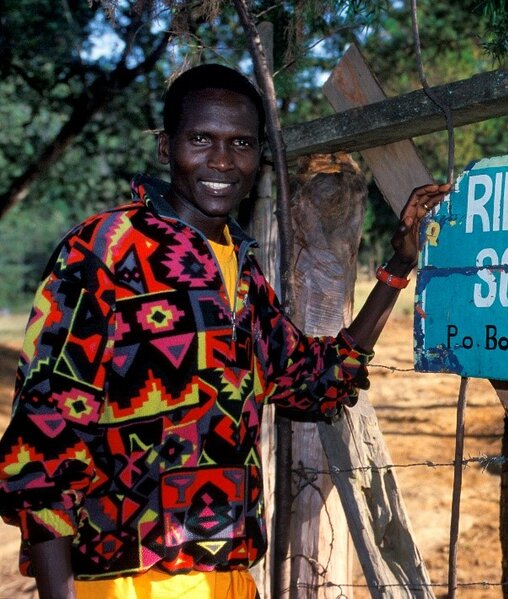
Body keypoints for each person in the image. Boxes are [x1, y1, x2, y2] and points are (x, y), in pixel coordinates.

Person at [0, 63, 450, 599]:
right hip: (125, 583)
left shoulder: (242, 276)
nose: (221, 161)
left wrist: (397, 269)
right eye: (201, 140)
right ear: (167, 148)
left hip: (230, 579)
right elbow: (42, 444)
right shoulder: (105, 251)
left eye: (240, 143)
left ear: (258, 155)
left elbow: (315, 381)